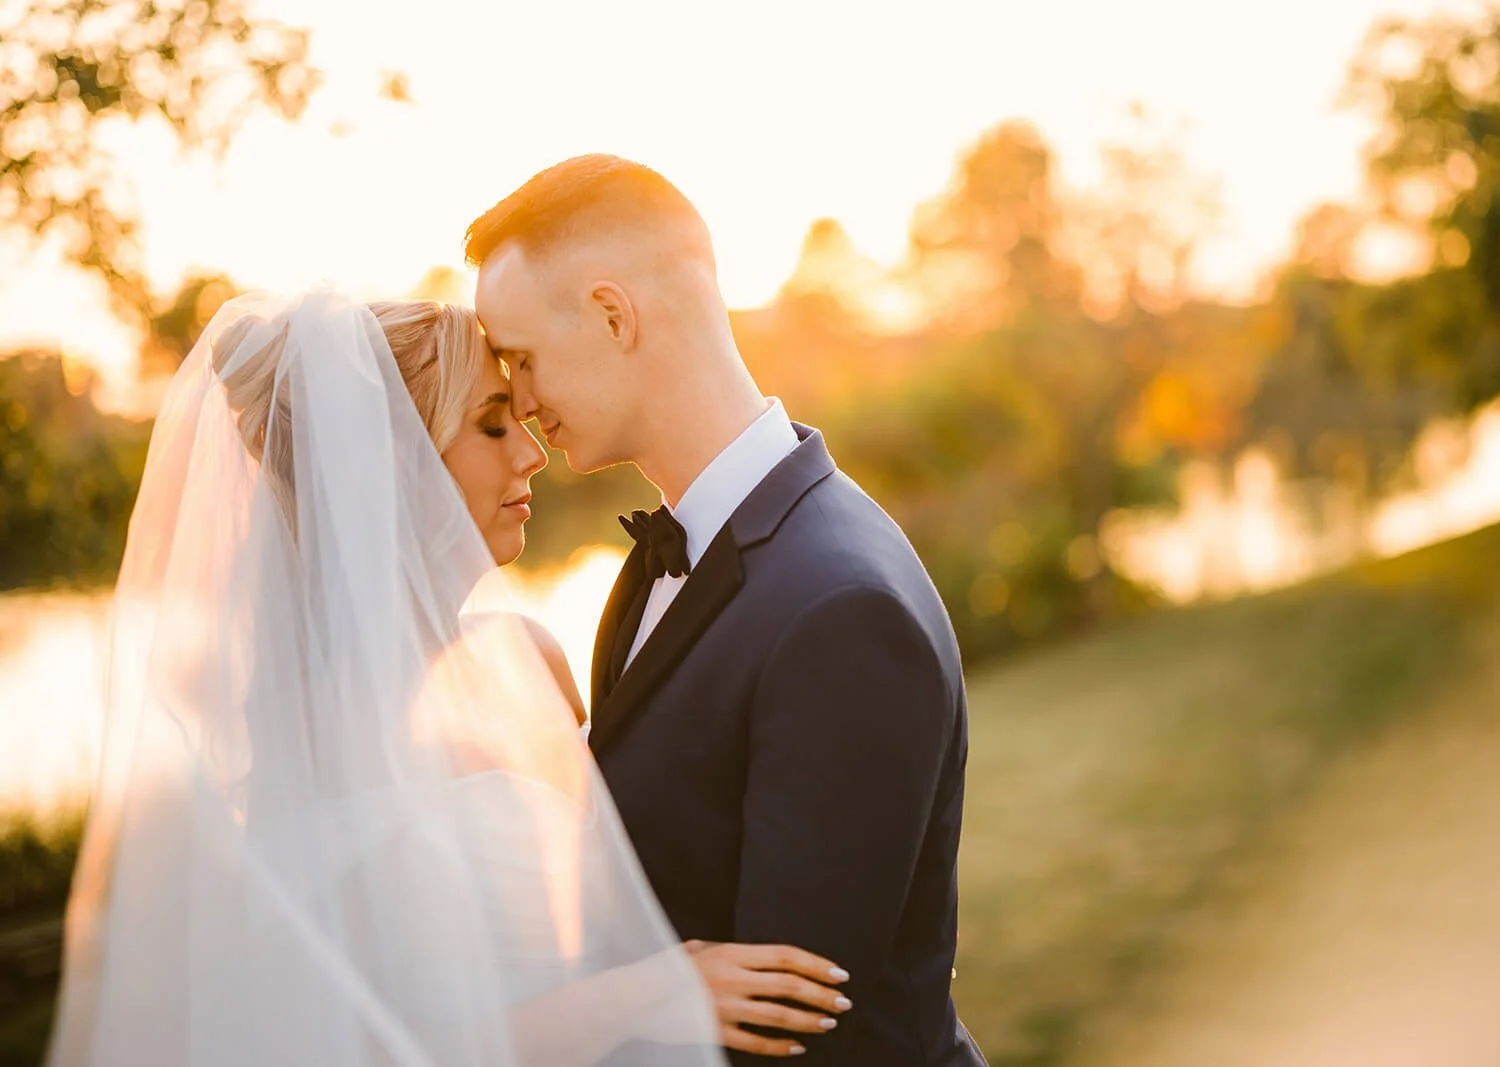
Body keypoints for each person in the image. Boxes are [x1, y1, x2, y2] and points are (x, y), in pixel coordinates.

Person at [45, 292, 842, 1066]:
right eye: (491, 424)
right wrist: (646, 996)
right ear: (395, 462)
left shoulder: (532, 655)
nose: (531, 452)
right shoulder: (319, 727)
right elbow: (359, 1039)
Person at [470, 156, 987, 1067]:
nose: (519, 399)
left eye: (520, 357)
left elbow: (792, 1028)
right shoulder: (666, 559)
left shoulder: (841, 608)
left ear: (612, 314)